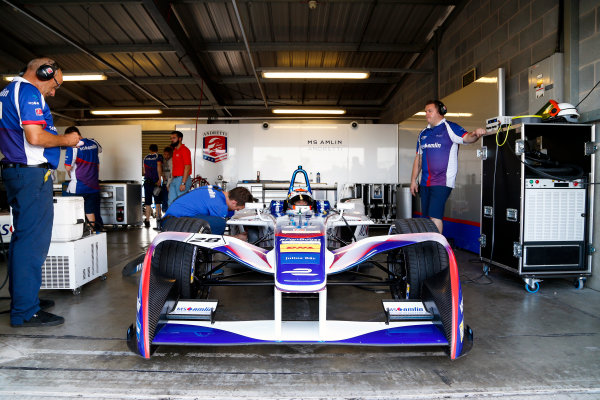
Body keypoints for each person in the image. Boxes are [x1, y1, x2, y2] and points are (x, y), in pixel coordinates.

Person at [0, 58, 80, 327]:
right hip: (30, 174)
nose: (54, 91)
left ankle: (24, 299)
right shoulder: (29, 92)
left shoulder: (9, 90)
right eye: (55, 84)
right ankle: (25, 310)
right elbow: (35, 137)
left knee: (23, 240)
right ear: (44, 73)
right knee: (32, 243)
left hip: (20, 173)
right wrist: (67, 141)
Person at [410, 100, 486, 234]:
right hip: (425, 182)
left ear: (440, 111)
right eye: (425, 111)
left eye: (430, 111)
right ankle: (428, 245)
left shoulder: (450, 127)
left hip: (442, 181)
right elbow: (419, 158)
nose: (426, 114)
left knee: (435, 216)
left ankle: (438, 248)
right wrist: (413, 180)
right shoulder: (423, 134)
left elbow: (467, 138)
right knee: (426, 217)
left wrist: (475, 134)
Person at [162, 186, 253, 236]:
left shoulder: (217, 189)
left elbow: (230, 212)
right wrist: (236, 238)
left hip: (170, 218)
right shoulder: (219, 206)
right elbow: (216, 236)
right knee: (219, 223)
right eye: (238, 209)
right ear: (234, 202)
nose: (236, 210)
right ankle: (208, 263)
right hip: (173, 223)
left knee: (217, 222)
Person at [64, 126, 103, 231]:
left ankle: (73, 234)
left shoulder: (73, 147)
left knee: (69, 210)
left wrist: (69, 173)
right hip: (93, 185)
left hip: (78, 186)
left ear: (72, 135)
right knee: (91, 210)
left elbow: (68, 167)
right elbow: (99, 152)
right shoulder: (94, 142)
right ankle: (93, 233)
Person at [168, 130, 192, 206]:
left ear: (180, 139)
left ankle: (183, 218)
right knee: (171, 202)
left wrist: (183, 183)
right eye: (171, 138)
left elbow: (187, 167)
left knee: (181, 203)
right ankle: (172, 218)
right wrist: (170, 182)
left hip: (182, 179)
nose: (172, 140)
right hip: (175, 179)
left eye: (174, 138)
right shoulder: (175, 151)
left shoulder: (185, 150)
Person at [142, 144, 163, 228]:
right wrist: (159, 178)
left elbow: (144, 171)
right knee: (157, 202)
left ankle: (147, 221)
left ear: (150, 150)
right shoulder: (158, 157)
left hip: (147, 183)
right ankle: (158, 220)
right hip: (155, 183)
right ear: (157, 149)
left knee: (147, 203)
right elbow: (159, 167)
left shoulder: (145, 158)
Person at [160, 146, 173, 214]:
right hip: (165, 183)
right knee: (164, 199)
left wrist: (168, 185)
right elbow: (161, 170)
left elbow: (172, 174)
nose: (166, 156)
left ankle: (169, 214)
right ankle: (165, 213)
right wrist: (162, 175)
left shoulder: (171, 161)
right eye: (165, 154)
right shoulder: (163, 161)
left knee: (169, 199)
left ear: (171, 154)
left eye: (168, 154)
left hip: (170, 184)